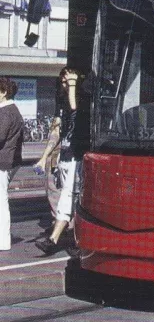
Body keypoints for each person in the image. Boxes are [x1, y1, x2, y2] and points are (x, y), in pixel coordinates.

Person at [36, 69, 87, 255]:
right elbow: (55, 133)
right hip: (65, 157)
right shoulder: (62, 104)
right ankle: (74, 239)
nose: (65, 84)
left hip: (77, 157)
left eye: (68, 81)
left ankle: (53, 239)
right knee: (72, 200)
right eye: (63, 81)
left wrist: (73, 84)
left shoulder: (84, 99)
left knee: (67, 198)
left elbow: (75, 109)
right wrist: (44, 157)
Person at [0, 76, 25, 252]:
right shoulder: (14, 110)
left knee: (1, 202)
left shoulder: (5, 112)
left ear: (3, 92)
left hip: (2, 162)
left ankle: (3, 241)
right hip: (8, 161)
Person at [35, 96, 63, 230]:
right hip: (57, 161)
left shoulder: (59, 119)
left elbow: (54, 138)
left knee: (54, 193)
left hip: (55, 162)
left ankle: (59, 225)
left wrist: (43, 158)